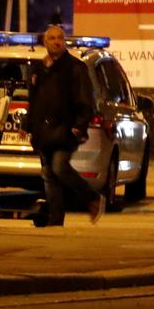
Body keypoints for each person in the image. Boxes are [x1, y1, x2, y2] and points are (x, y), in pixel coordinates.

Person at [27, 24, 101, 227]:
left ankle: (92, 197)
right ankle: (55, 219)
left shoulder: (75, 68)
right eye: (52, 38)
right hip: (43, 132)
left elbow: (85, 100)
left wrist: (79, 126)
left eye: (60, 38)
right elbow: (33, 100)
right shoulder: (39, 69)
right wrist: (29, 126)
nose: (56, 42)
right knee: (49, 175)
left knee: (59, 167)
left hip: (65, 130)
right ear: (45, 42)